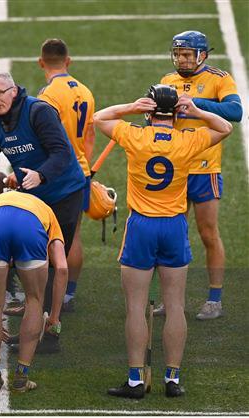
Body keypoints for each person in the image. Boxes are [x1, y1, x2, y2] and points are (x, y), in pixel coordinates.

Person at [94, 85, 232, 398]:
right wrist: (195, 111)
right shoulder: (189, 139)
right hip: (173, 226)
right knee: (175, 306)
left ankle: (134, 381)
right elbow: (224, 127)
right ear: (176, 112)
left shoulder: (135, 136)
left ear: (149, 111)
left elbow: (99, 118)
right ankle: (172, 379)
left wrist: (131, 105)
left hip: (141, 226)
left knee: (136, 307)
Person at [0, 70, 86, 353]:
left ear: (13, 90)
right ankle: (37, 314)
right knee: (33, 260)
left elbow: (62, 153)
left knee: (54, 264)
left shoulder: (39, 112)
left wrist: (41, 175)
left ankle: (50, 332)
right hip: (33, 195)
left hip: (63, 193)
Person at [155, 31, 242, 320]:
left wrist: (195, 105)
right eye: (178, 54)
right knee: (172, 236)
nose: (181, 59)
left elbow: (235, 111)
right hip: (175, 170)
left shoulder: (219, 78)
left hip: (205, 169)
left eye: (187, 54)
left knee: (208, 234)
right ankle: (170, 300)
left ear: (202, 55)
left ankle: (214, 299)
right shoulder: (168, 81)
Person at [0, 177, 68, 392]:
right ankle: (21, 378)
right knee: (35, 301)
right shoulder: (46, 210)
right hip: (31, 225)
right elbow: (61, 268)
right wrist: (54, 318)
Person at [37, 38, 95, 312]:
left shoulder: (47, 96)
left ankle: (50, 294)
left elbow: (43, 140)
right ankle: (69, 293)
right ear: (68, 61)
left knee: (52, 237)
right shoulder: (85, 91)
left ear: (41, 62)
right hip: (81, 172)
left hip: (58, 175)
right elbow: (90, 136)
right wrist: (88, 168)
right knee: (75, 236)